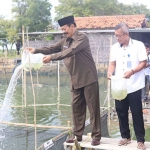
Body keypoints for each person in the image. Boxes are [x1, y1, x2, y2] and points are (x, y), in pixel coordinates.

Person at [26, 15, 101, 146]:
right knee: (76, 108)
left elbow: (70, 52)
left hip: (88, 78)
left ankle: (96, 136)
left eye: (64, 28)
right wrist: (36, 50)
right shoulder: (64, 40)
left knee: (93, 108)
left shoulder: (82, 38)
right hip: (75, 79)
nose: (63, 31)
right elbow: (51, 48)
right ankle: (78, 135)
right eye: (61, 29)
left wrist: (52, 58)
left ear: (72, 26)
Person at [107, 23, 147, 150]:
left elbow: (143, 63)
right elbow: (112, 63)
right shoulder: (114, 47)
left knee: (136, 113)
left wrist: (132, 72)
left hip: (134, 85)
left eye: (119, 36)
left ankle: (140, 140)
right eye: (116, 36)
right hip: (120, 85)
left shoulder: (138, 45)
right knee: (121, 111)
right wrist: (109, 71)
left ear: (126, 34)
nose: (117, 38)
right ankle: (126, 136)